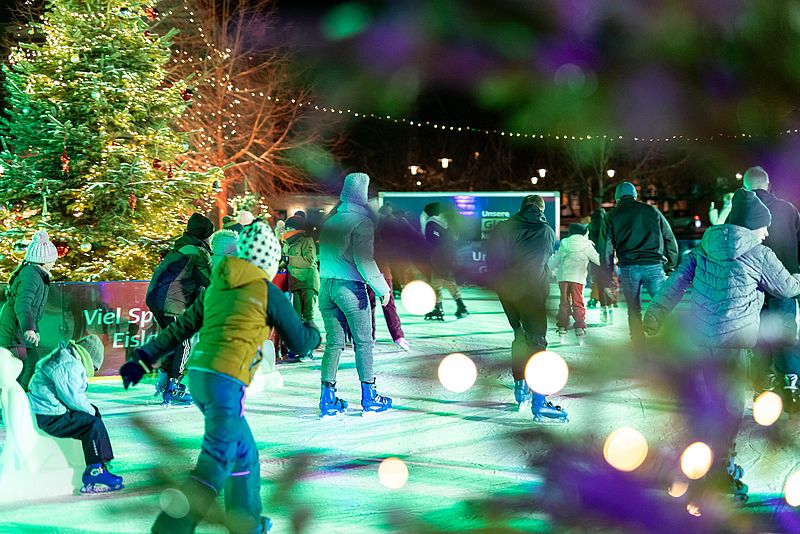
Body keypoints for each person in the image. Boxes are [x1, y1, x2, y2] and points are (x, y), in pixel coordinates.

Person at [120, 221, 321, 533]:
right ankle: (168, 529)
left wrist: (143, 358)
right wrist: (314, 331)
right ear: (267, 261)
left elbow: (181, 327)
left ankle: (246, 522)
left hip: (200, 376)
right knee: (214, 465)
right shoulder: (264, 289)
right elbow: (301, 342)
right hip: (223, 383)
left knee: (244, 454)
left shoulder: (218, 284)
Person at [643, 188, 800, 502]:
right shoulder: (760, 253)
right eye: (764, 225)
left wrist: (655, 313)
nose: (767, 231)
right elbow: (786, 289)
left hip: (701, 337)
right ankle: (720, 471)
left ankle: (697, 461)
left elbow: (676, 282)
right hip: (735, 341)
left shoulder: (704, 246)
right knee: (728, 408)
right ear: (751, 225)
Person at [317, 172, 393, 417]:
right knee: (363, 343)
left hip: (326, 287)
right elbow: (364, 260)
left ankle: (327, 398)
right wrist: (383, 288)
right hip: (350, 288)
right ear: (363, 194)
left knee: (334, 344)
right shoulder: (362, 222)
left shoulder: (331, 221)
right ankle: (369, 395)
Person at [486, 194, 567, 422]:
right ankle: (540, 401)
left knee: (520, 336)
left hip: (508, 291)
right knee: (537, 342)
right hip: (532, 292)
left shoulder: (503, 228)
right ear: (540, 209)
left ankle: (520, 387)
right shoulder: (547, 231)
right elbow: (546, 259)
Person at [28, 334, 123, 493]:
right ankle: (95, 470)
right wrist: (93, 413)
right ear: (88, 358)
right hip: (51, 416)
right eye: (93, 367)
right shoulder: (69, 365)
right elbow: (74, 399)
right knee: (92, 424)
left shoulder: (65, 358)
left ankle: (100, 462)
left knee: (92, 417)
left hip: (48, 410)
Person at [741, 166, 800, 406]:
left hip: (753, 285)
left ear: (745, 187)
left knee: (758, 338)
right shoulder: (788, 209)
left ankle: (763, 386)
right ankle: (792, 384)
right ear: (769, 185)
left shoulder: (741, 210)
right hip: (785, 283)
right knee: (786, 334)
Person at [145, 212, 215, 405]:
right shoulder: (197, 252)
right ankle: (172, 387)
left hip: (157, 298)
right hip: (169, 301)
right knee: (183, 343)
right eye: (210, 233)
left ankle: (162, 384)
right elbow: (211, 281)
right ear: (204, 235)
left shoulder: (183, 247)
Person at [599, 182, 679, 345]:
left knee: (633, 309)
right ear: (635, 196)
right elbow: (669, 238)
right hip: (654, 265)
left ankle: (638, 345)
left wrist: (607, 275)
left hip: (629, 268)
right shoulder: (652, 210)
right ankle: (668, 342)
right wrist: (670, 264)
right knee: (662, 302)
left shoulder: (611, 216)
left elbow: (605, 248)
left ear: (616, 199)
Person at [0, 230, 57, 391]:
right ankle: (9, 403)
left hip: (20, 330)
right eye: (52, 260)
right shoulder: (31, 275)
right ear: (44, 260)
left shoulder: (37, 274)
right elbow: (23, 303)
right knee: (19, 368)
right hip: (13, 331)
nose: (54, 263)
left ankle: (20, 399)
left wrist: (34, 329)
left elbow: (34, 308)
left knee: (31, 364)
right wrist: (29, 329)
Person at [548, 223, 600, 344]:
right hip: (578, 278)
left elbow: (556, 259)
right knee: (578, 303)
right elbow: (598, 260)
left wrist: (547, 269)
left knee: (564, 303)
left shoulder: (565, 243)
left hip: (563, 278)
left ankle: (562, 329)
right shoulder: (587, 245)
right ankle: (580, 329)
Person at [368, 204, 410, 351]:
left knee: (373, 306)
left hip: (374, 274)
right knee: (383, 305)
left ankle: (375, 337)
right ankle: (396, 336)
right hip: (377, 274)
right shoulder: (382, 234)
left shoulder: (367, 236)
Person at [421, 202, 469, 321]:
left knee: (437, 283)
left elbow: (432, 242)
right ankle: (459, 306)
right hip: (447, 257)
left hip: (438, 258)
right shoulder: (445, 224)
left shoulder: (431, 223)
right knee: (446, 281)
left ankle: (440, 308)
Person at [281, 215, 320, 325]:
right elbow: (286, 260)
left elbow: (309, 260)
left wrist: (289, 259)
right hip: (295, 282)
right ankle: (300, 340)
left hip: (307, 281)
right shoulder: (287, 243)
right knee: (297, 317)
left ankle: (312, 339)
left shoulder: (307, 241)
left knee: (308, 316)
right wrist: (280, 265)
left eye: (290, 228)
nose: (287, 231)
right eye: (286, 228)